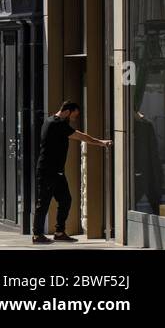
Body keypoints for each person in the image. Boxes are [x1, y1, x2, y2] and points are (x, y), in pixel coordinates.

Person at [33, 100, 110, 243]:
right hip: (47, 171)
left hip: (57, 172)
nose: (74, 119)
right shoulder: (57, 124)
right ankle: (37, 235)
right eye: (74, 115)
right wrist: (100, 142)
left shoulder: (52, 120)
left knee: (65, 200)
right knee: (43, 202)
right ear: (67, 111)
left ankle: (59, 231)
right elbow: (81, 136)